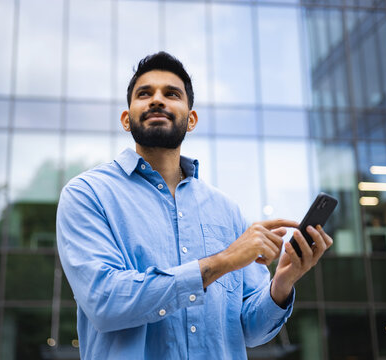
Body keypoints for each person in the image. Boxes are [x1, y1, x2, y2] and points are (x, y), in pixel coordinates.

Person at [56, 52, 333, 360]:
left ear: (191, 119)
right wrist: (223, 261)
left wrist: (282, 282)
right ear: (126, 118)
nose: (157, 100)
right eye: (144, 94)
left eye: (171, 94)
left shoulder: (227, 211)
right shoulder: (87, 194)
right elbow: (105, 302)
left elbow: (251, 332)